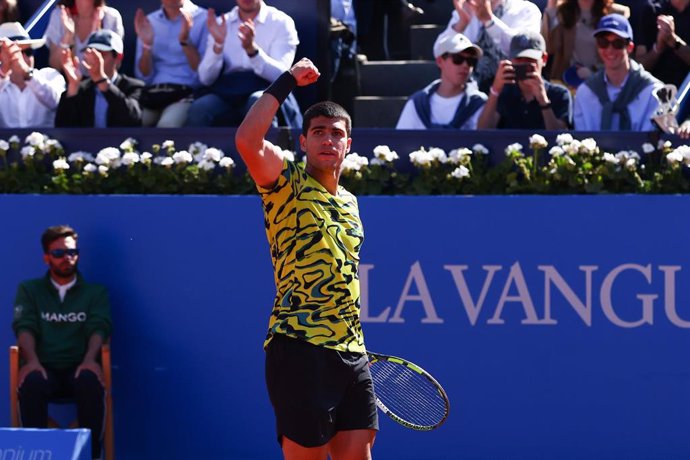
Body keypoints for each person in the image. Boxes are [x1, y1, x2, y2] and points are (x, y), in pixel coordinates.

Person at [235, 58, 378, 459]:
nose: (328, 140)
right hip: (299, 346)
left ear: (348, 144)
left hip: (352, 350)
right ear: (303, 142)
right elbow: (247, 140)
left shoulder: (350, 202)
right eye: (318, 133)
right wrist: (288, 81)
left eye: (336, 134)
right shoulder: (286, 183)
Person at [12, 225, 112, 460]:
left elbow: (100, 326)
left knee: (90, 380)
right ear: (47, 258)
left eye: (72, 252)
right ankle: (33, 454)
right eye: (58, 254)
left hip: (78, 366)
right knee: (31, 381)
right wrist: (32, 362)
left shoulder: (95, 293)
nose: (67, 258)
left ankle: (90, 454)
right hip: (45, 367)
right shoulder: (29, 290)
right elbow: (24, 326)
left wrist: (90, 360)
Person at [185, 0, 299, 127]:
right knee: (200, 108)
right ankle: (198, 147)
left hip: (266, 88)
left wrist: (252, 51)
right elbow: (205, 79)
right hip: (227, 91)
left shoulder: (282, 22)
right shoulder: (222, 23)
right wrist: (218, 45)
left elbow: (282, 77)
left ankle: (266, 147)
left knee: (259, 102)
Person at [574, 14, 662, 131]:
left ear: (630, 47)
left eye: (618, 44)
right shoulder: (585, 92)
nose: (610, 50)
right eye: (603, 43)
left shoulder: (654, 92)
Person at [134, 0, 208, 127]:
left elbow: (204, 73)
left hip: (187, 93)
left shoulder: (204, 18)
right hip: (154, 94)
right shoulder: (149, 21)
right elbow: (143, 75)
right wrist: (147, 46)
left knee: (167, 126)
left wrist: (185, 41)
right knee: (133, 122)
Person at [478, 30, 572, 129]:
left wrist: (543, 100)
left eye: (530, 60)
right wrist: (495, 90)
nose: (523, 64)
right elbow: (483, 131)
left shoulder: (559, 94)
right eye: (519, 59)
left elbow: (561, 137)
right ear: (511, 60)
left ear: (544, 59)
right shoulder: (505, 92)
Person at [443, 0, 541, 92]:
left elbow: (523, 49)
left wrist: (489, 21)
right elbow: (439, 52)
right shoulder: (467, 8)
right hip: (468, 92)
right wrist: (461, 23)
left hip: (511, 92)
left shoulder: (527, 10)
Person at [396, 32, 487, 129]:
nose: (465, 65)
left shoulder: (478, 102)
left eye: (470, 61)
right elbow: (400, 141)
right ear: (440, 61)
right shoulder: (417, 103)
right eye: (458, 59)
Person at [55, 29, 144, 127]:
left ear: (118, 57)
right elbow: (62, 127)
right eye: (91, 54)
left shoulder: (134, 87)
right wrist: (73, 86)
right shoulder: (80, 89)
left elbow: (133, 120)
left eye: (101, 54)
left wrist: (101, 80)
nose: (95, 59)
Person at [541, 0, 629, 86]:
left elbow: (622, 53)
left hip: (604, 83)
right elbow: (548, 48)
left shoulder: (616, 13)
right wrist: (551, 10)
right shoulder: (562, 12)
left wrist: (592, 73)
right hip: (569, 83)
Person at [0, 22, 65, 128]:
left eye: (29, 52)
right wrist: (3, 70)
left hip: (46, 144)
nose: (23, 58)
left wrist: (27, 73)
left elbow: (56, 103)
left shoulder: (50, 75)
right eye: (17, 52)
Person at [44, 0, 124, 73]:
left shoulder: (111, 17)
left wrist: (96, 33)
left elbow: (115, 65)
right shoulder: (59, 14)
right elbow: (55, 66)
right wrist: (68, 36)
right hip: (67, 84)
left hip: (99, 85)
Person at [634, 0, 690, 88]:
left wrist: (674, 41)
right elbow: (639, 67)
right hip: (654, 94)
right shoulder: (652, 9)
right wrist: (658, 48)